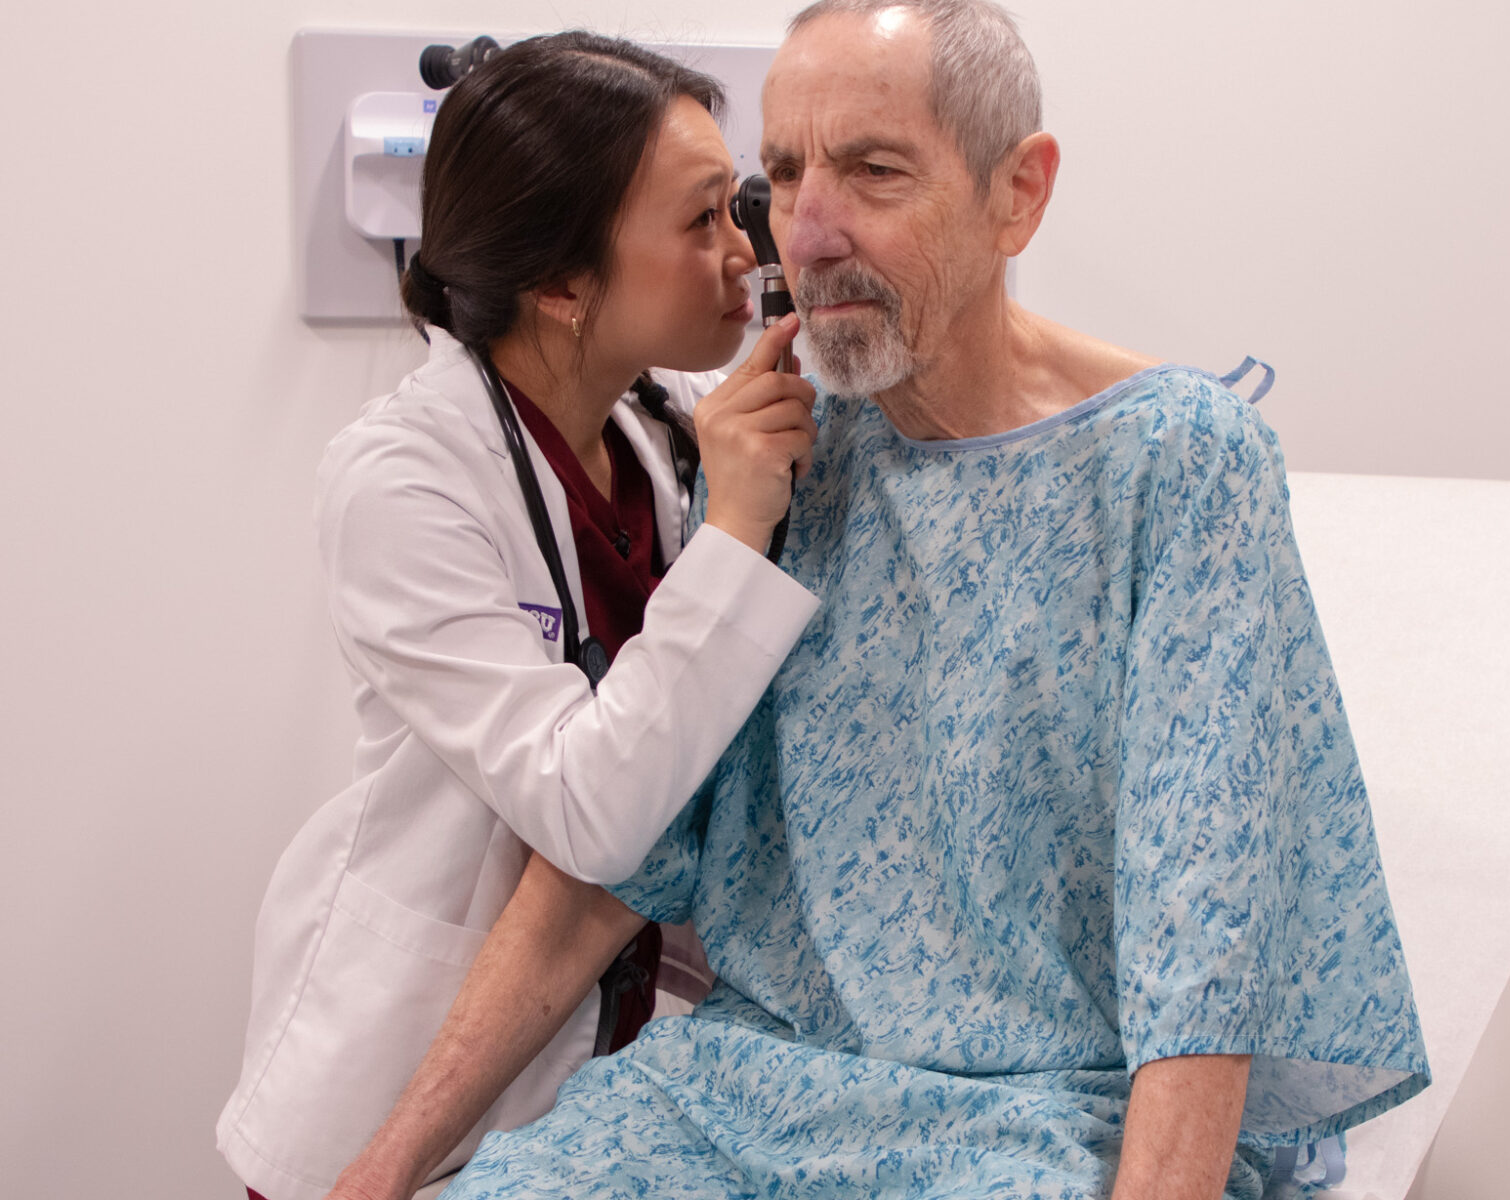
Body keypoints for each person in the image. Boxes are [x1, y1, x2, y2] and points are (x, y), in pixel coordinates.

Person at [338, 4, 1431, 1199]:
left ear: (1017, 194)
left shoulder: (1176, 468)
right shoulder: (774, 457)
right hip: (736, 1097)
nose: (803, 234)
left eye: (872, 172)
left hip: (1036, 1125)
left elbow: (1202, 946)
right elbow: (620, 853)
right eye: (785, 173)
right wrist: (381, 1171)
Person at [216, 33, 822, 1200]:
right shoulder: (401, 480)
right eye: (702, 222)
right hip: (403, 1090)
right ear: (560, 283)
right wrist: (738, 532)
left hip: (618, 1066)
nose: (745, 251)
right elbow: (591, 812)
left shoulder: (660, 423)